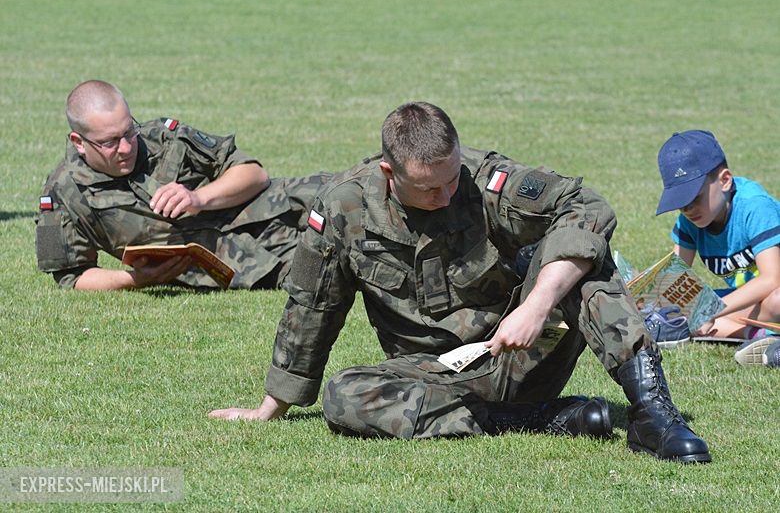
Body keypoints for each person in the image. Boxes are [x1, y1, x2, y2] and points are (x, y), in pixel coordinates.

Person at [211, 102, 711, 463]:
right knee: (344, 396)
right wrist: (271, 406)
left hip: (523, 350)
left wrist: (536, 303)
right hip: (437, 378)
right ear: (390, 173)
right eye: (430, 187)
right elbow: (312, 305)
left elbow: (587, 206)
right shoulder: (343, 207)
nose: (448, 193)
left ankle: (653, 414)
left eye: (452, 178)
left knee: (583, 262)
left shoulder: (483, 180)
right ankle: (539, 420)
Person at [36, 80, 328, 291]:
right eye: (109, 142)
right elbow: (71, 276)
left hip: (288, 204)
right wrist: (138, 280)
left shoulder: (164, 137)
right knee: (331, 273)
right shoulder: (60, 194)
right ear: (79, 142)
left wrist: (199, 198)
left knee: (357, 193)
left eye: (129, 131)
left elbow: (254, 174)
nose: (126, 147)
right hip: (258, 263)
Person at [654, 130, 780, 367]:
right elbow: (673, 279)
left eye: (695, 198)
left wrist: (710, 312)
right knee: (684, 309)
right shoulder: (690, 221)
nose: (689, 210)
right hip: (755, 305)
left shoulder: (755, 207)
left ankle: (748, 333)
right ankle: (757, 337)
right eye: (681, 205)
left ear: (724, 180)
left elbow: (772, 279)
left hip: (774, 293)